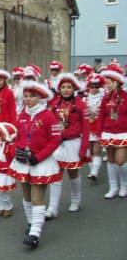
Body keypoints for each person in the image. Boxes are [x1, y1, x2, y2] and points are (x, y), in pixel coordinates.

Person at [8, 80, 61, 249]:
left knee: (37, 197)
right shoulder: (22, 115)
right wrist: (15, 150)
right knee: (27, 196)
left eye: (32, 96)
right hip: (23, 161)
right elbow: (18, 138)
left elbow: (55, 140)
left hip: (41, 162)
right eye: (25, 96)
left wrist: (38, 157)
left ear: (40, 97)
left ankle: (35, 234)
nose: (28, 99)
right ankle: (31, 223)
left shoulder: (48, 115)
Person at [45, 73, 90, 219]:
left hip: (73, 144)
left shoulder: (81, 104)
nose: (65, 90)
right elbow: (49, 125)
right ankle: (52, 208)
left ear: (74, 88)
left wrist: (84, 148)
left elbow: (86, 128)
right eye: (63, 87)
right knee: (56, 175)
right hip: (57, 144)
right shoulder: (55, 104)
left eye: (68, 87)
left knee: (73, 173)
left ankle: (76, 199)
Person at [97, 63, 127, 199]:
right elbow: (101, 117)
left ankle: (124, 184)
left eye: (108, 82)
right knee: (110, 160)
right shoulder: (106, 98)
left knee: (120, 161)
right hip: (108, 132)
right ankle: (113, 187)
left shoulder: (126, 97)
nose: (106, 85)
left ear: (116, 82)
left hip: (123, 132)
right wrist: (99, 134)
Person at [84, 73, 106, 181]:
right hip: (87, 128)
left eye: (96, 87)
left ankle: (94, 173)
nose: (94, 89)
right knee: (90, 152)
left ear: (100, 88)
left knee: (97, 151)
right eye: (92, 86)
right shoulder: (84, 100)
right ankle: (92, 169)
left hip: (98, 128)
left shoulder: (103, 100)